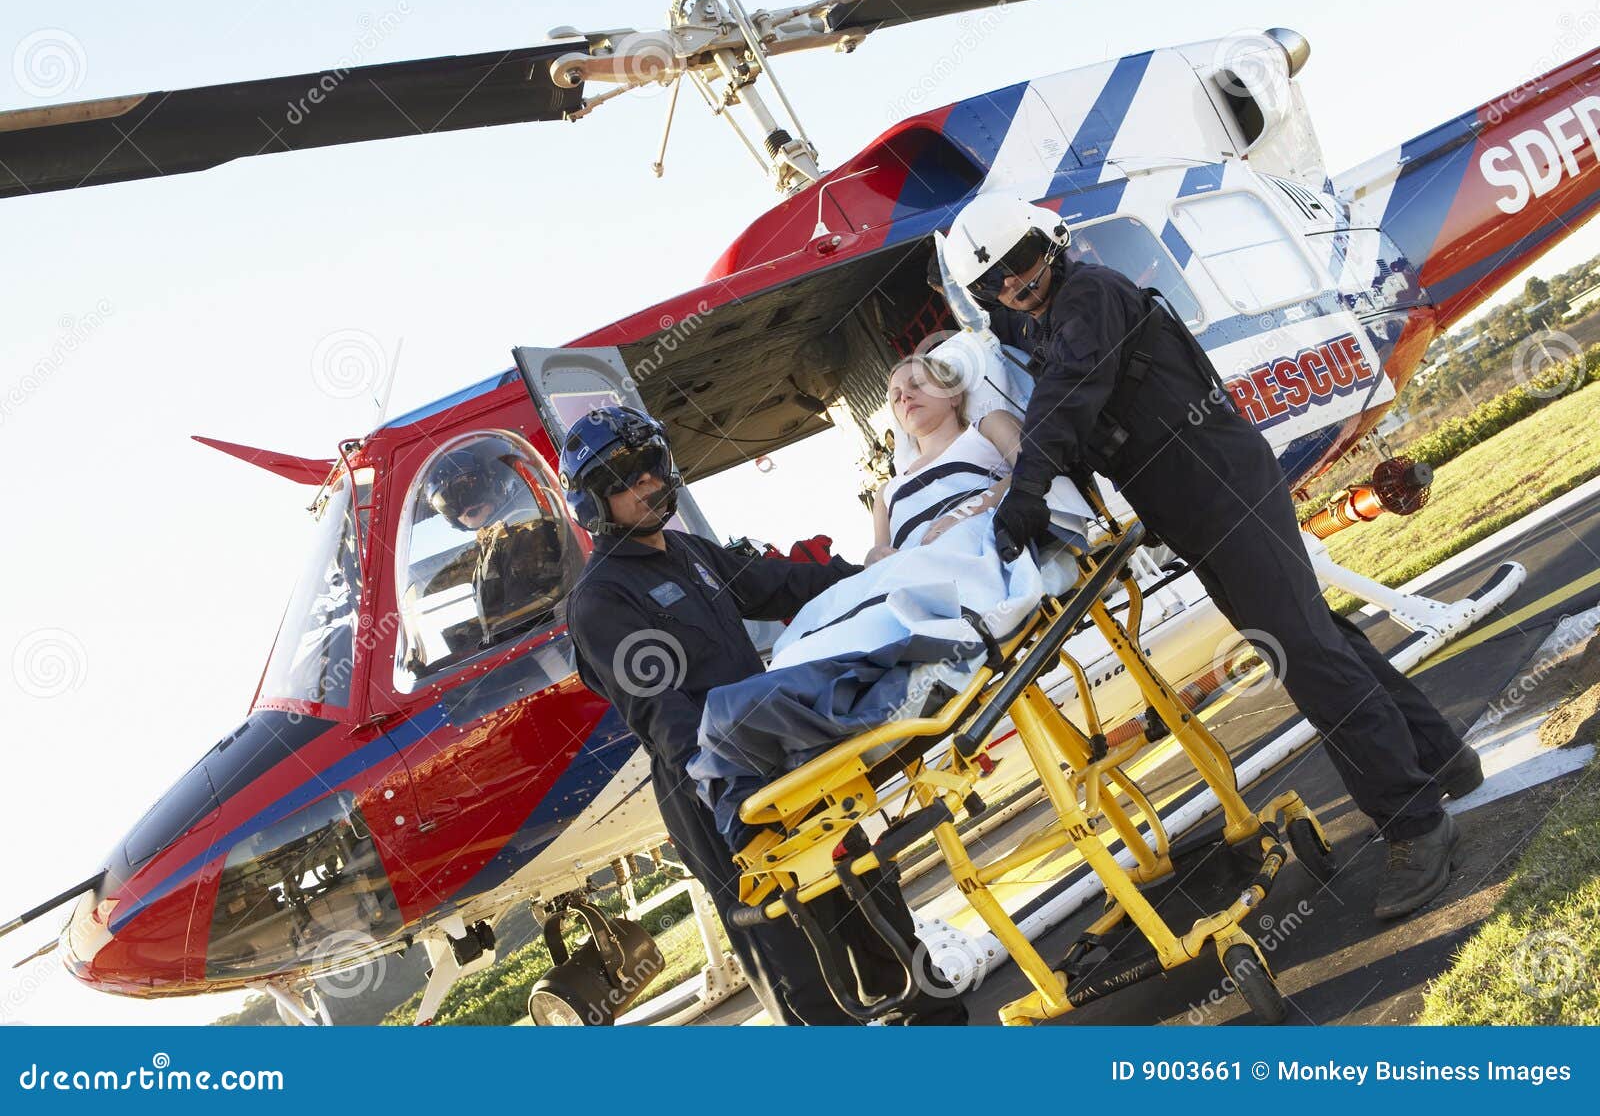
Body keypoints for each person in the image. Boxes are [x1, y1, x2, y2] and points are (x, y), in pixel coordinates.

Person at [941, 193, 1482, 921]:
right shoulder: (1048, 311)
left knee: (1307, 656)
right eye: (993, 281)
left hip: (1223, 491)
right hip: (1201, 505)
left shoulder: (1088, 297)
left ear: (1052, 243)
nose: (1014, 283)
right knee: (1314, 636)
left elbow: (1066, 399)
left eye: (1022, 261)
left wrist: (1025, 494)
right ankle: (1441, 757)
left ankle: (1415, 822)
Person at [560, 403, 967, 1024]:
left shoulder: (692, 551)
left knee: (873, 906)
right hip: (717, 792)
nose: (645, 482)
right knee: (799, 965)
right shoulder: (601, 599)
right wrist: (740, 810)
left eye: (649, 466)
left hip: (787, 759)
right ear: (593, 501)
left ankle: (947, 1041)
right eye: (623, 477)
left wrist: (868, 574)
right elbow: (662, 715)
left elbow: (779, 584)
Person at [867, 354, 1023, 565]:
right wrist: (872, 558)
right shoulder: (885, 493)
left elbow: (1036, 469)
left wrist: (965, 512)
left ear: (953, 396)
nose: (904, 397)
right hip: (911, 575)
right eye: (896, 398)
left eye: (917, 384)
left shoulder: (987, 429)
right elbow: (878, 557)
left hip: (979, 549)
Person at [423, 439, 575, 649]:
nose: (464, 502)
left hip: (552, 650)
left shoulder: (523, 531)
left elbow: (527, 616)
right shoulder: (491, 544)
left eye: (468, 486)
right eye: (447, 500)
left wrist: (488, 647)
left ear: (491, 482)